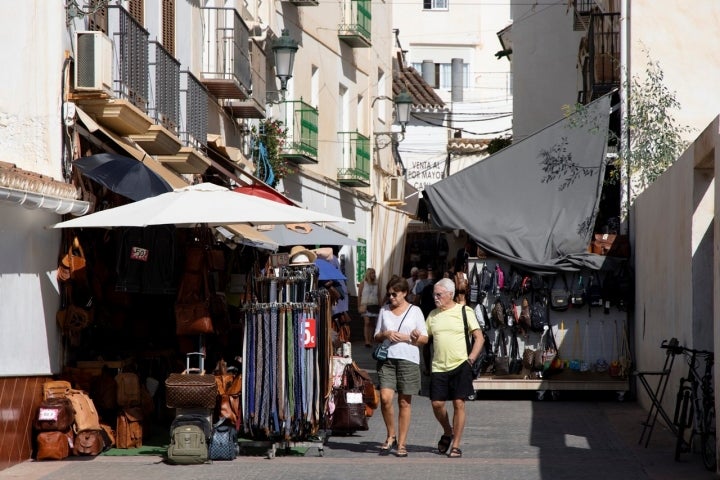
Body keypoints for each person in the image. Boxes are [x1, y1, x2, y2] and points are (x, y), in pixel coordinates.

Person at [425, 277, 483, 458]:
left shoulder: (464, 311)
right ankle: (447, 430)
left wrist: (471, 358)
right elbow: (424, 338)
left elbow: (479, 337)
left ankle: (456, 445)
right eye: (434, 294)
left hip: (460, 365)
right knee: (437, 404)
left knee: (459, 403)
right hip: (438, 367)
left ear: (450, 294)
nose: (435, 297)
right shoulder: (433, 315)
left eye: (439, 294)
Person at [373, 277, 428, 458]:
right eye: (389, 294)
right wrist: (386, 333)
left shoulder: (416, 311)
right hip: (387, 359)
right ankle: (391, 435)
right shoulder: (384, 310)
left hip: (408, 360)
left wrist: (408, 337)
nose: (391, 297)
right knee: (385, 398)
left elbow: (424, 339)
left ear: (404, 293)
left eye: (394, 294)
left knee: (404, 402)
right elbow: (376, 336)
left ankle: (402, 443)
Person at [358, 268, 381, 347]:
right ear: (368, 274)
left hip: (374, 305)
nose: (373, 275)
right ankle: (366, 340)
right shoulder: (363, 283)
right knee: (367, 322)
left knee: (372, 323)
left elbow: (379, 295)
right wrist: (359, 306)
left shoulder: (376, 284)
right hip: (365, 305)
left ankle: (370, 339)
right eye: (371, 273)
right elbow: (359, 295)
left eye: (374, 273)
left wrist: (380, 305)